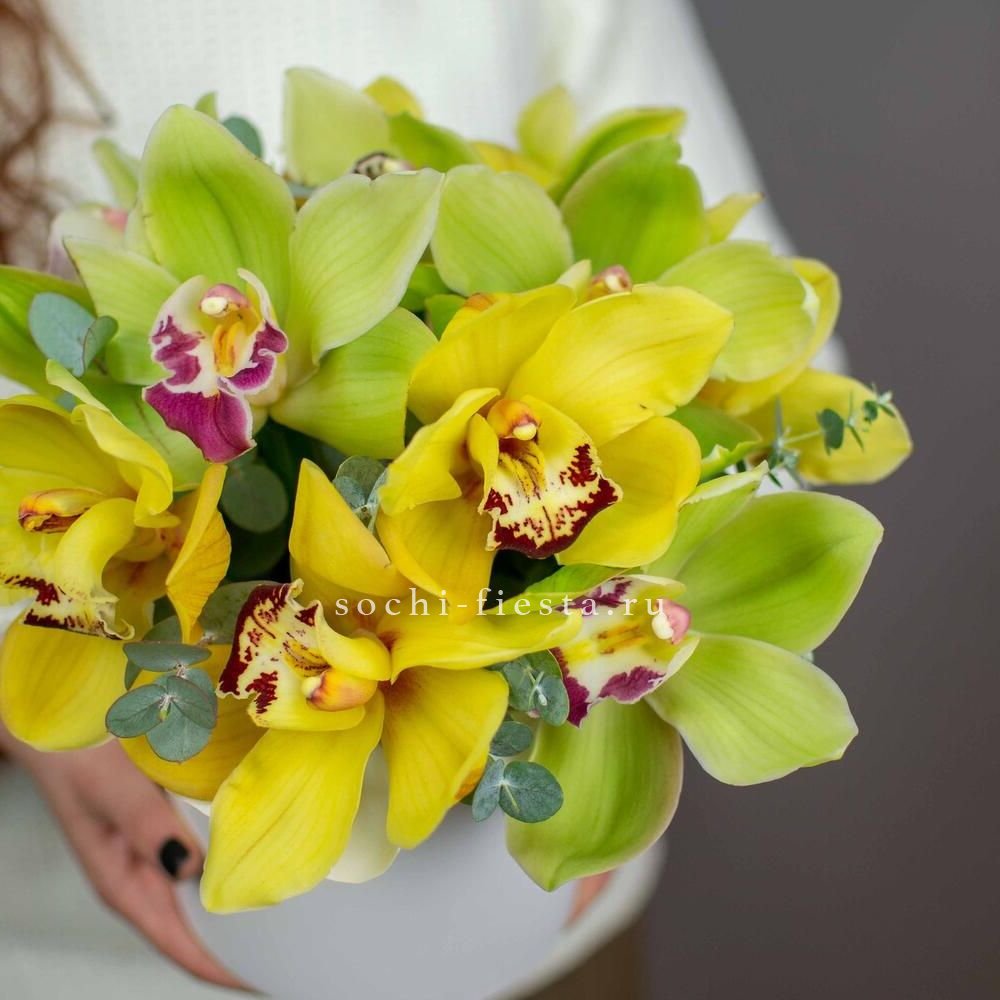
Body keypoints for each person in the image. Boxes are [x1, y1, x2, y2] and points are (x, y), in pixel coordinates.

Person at [0, 1, 812, 996]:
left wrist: (591, 752)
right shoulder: (213, 451)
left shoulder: (402, 389)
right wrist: (26, 687)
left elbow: (769, 342)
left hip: (542, 949)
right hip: (68, 956)